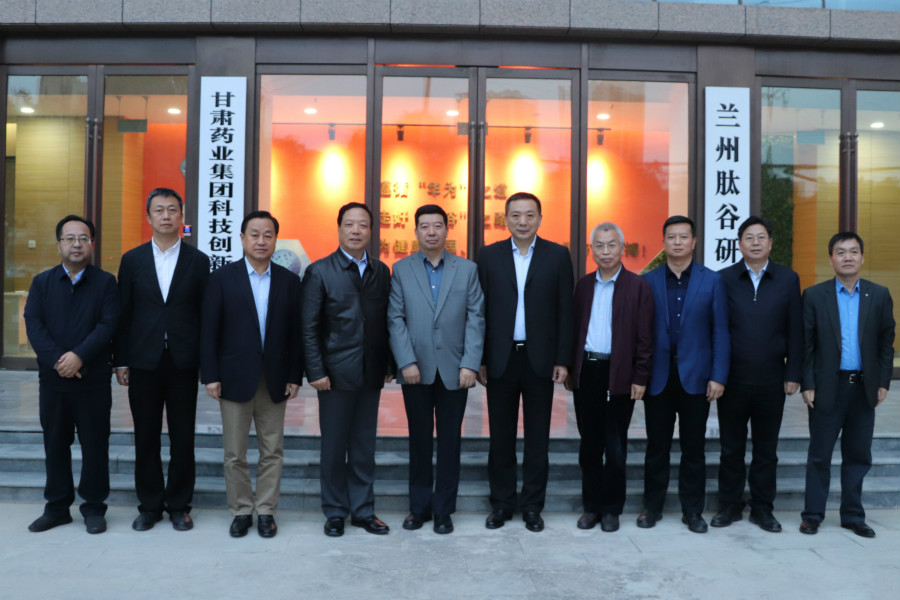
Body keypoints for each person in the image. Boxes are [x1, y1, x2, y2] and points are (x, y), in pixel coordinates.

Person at [200, 211, 302, 539]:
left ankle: (267, 511)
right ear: (242, 238)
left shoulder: (289, 281)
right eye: (254, 234)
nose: (261, 240)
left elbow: (295, 334)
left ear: (275, 240)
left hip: (275, 378)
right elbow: (209, 331)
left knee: (273, 450)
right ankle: (242, 510)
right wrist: (210, 375)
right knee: (235, 452)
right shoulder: (222, 278)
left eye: (268, 235)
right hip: (232, 378)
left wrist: (294, 375)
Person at [476, 191, 574, 532]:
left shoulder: (558, 255)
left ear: (540, 219)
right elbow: (480, 312)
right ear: (506, 219)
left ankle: (532, 506)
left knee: (537, 438)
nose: (523, 221)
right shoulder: (488, 256)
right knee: (500, 438)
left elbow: (565, 310)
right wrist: (481, 359)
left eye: (530, 215)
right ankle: (502, 504)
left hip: (540, 360)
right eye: (516, 215)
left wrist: (562, 359)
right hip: (500, 360)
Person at [114, 188, 210, 532]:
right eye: (159, 210)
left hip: (183, 362)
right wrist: (120, 360)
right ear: (148, 217)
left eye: (172, 209)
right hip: (143, 361)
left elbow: (205, 314)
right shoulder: (132, 260)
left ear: (181, 216)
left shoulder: (198, 261)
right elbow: (124, 313)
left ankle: (180, 505)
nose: (166, 216)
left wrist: (205, 362)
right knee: (146, 436)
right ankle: (150, 506)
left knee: (183, 438)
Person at [388, 204, 485, 535]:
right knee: (418, 441)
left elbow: (476, 318)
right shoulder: (401, 270)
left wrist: (470, 363)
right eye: (425, 226)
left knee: (450, 442)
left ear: (447, 229)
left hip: (455, 370)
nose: (431, 231)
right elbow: (395, 318)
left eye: (438, 225)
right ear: (416, 231)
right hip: (415, 370)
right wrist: (406, 361)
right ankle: (418, 508)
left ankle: (444, 510)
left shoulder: (467, 269)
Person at [301, 202, 393, 537]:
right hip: (335, 375)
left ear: (371, 231)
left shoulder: (381, 271)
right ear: (339, 228)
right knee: (334, 446)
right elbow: (309, 326)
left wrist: (388, 364)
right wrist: (316, 371)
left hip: (370, 373)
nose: (356, 231)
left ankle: (364, 510)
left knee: (364, 447)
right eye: (350, 224)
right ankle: (335, 511)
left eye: (363, 225)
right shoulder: (320, 271)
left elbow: (386, 322)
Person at [24, 215, 120, 534]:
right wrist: (58, 360)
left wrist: (79, 356)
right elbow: (34, 325)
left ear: (92, 244)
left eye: (83, 238)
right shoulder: (42, 283)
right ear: (59, 245)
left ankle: (93, 508)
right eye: (69, 238)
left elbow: (108, 325)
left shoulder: (105, 283)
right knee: (55, 445)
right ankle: (57, 508)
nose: (76, 244)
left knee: (95, 446)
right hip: (53, 382)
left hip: (93, 382)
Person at [799, 232, 894, 538]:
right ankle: (812, 515)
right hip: (828, 387)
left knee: (858, 455)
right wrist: (807, 383)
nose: (848, 257)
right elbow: (806, 345)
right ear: (831, 259)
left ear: (862, 258)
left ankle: (853, 516)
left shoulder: (879, 295)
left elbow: (886, 343)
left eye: (853, 252)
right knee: (820, 455)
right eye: (841, 252)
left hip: (864, 388)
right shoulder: (815, 296)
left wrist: (882, 381)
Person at [640, 215, 729, 534]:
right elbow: (642, 333)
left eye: (683, 237)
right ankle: (652, 507)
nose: (677, 242)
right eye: (671, 237)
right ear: (663, 242)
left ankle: (692, 511)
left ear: (694, 242)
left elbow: (720, 332)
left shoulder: (712, 281)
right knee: (657, 447)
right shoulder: (648, 281)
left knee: (694, 449)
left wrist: (718, 376)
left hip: (697, 377)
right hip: (658, 377)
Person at [712, 216, 802, 533]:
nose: (755, 242)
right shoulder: (724, 279)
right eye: (748, 237)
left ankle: (762, 509)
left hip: (771, 379)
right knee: (731, 448)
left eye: (761, 237)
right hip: (733, 380)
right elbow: (717, 329)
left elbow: (795, 330)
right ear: (739, 244)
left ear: (770, 243)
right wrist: (717, 375)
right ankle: (730, 505)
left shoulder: (788, 279)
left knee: (766, 450)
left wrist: (793, 373)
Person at [568, 222, 653, 533]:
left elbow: (645, 338)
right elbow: (574, 331)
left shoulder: (638, 287)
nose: (606, 251)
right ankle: (591, 508)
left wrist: (640, 377)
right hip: (587, 371)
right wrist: (571, 369)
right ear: (592, 250)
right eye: (599, 246)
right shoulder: (583, 286)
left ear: (621, 248)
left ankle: (611, 510)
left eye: (611, 245)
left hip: (619, 373)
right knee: (589, 446)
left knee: (615, 447)